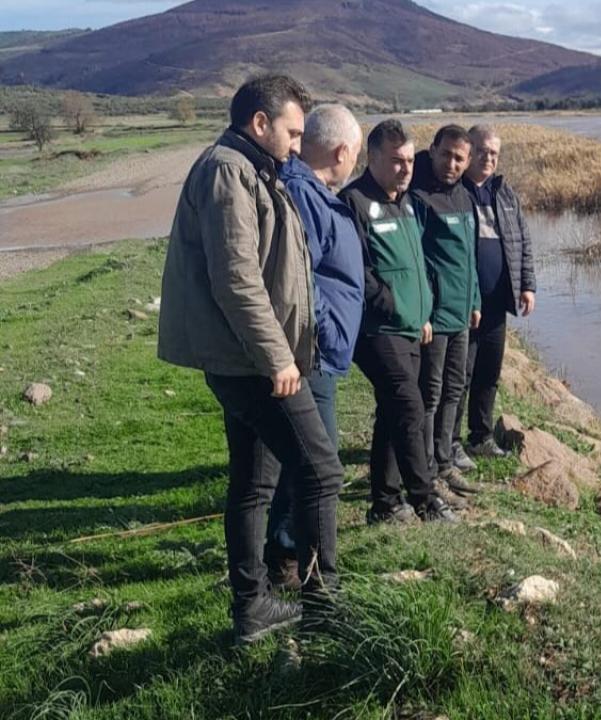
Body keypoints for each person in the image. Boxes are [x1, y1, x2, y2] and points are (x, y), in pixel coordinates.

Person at [157, 75, 343, 644]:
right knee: (321, 471)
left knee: (255, 485)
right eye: (291, 132)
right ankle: (325, 605)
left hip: (252, 361)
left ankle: (253, 606)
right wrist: (278, 358)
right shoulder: (228, 170)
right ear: (259, 124)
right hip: (256, 365)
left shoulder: (255, 169)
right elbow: (237, 278)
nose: (296, 144)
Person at [263, 104, 364, 590]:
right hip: (312, 352)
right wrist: (325, 333)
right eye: (356, 155)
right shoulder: (304, 193)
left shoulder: (316, 191)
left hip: (317, 350)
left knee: (304, 458)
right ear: (343, 151)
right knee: (318, 464)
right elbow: (301, 279)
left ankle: (286, 553)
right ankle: (301, 572)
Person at [341, 119, 456, 525]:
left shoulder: (406, 202)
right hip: (377, 329)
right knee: (409, 406)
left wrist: (423, 310)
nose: (406, 168)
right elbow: (358, 273)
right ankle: (425, 499)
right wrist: (395, 306)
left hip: (411, 326)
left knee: (392, 412)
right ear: (371, 158)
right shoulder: (353, 202)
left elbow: (416, 262)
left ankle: (384, 503)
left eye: (409, 160)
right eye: (396, 161)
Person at [450, 124, 537, 469]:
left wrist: (527, 286)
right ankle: (450, 442)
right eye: (483, 151)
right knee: (460, 375)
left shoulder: (505, 193)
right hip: (463, 303)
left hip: (497, 302)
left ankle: (481, 436)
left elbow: (523, 243)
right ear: (469, 151)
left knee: (488, 373)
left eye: (494, 154)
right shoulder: (454, 192)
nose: (488, 159)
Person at [407, 125, 481, 498]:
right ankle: (426, 469)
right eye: (446, 154)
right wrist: (422, 312)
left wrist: (476, 301)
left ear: (467, 162)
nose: (451, 163)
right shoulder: (419, 197)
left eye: (459, 158)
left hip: (461, 314)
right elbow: (415, 261)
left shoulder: (465, 196)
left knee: (454, 388)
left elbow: (468, 257)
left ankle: (445, 462)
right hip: (434, 318)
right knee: (430, 394)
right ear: (433, 150)